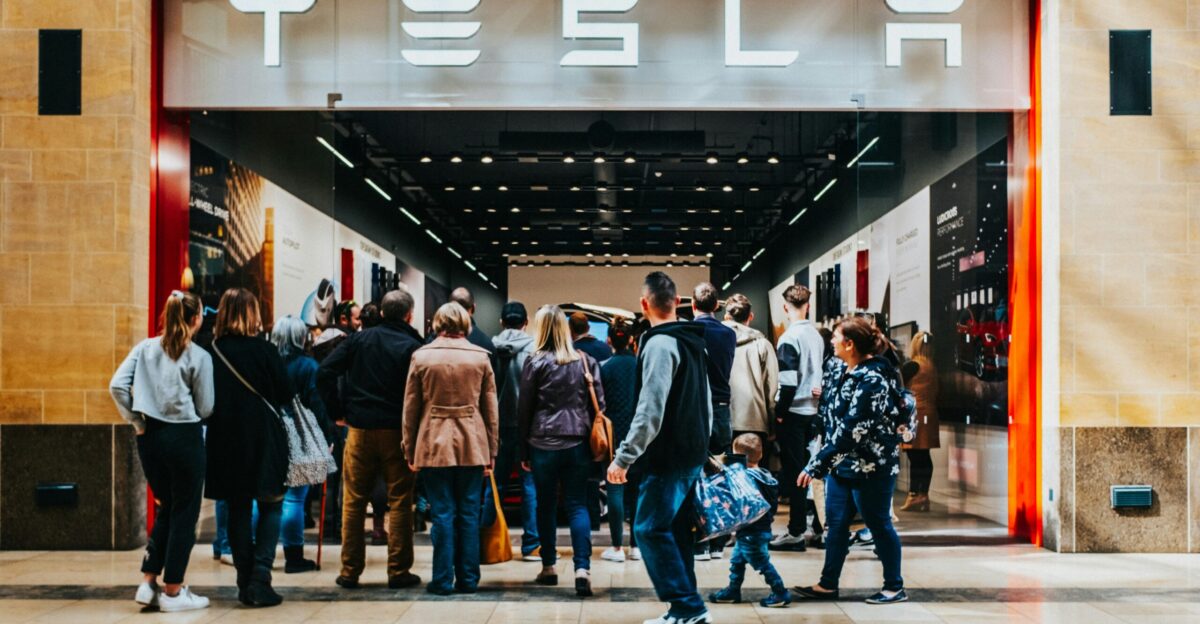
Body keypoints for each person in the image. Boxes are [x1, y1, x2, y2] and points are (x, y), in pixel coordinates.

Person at [607, 272, 713, 624]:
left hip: (668, 455)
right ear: (678, 299)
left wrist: (623, 458)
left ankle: (688, 606)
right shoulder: (692, 340)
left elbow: (650, 411)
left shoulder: (658, 344)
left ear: (644, 304)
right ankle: (684, 610)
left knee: (648, 528)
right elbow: (708, 401)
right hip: (692, 450)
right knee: (678, 530)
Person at [793, 317, 909, 605]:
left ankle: (894, 587)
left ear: (850, 344)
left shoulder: (873, 379)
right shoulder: (841, 369)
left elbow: (853, 429)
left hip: (872, 467)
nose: (831, 341)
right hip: (842, 465)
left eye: (835, 336)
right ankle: (827, 584)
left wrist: (816, 464)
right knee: (836, 524)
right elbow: (832, 415)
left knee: (879, 524)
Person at [110, 290, 213, 612]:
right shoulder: (198, 356)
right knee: (185, 512)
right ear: (196, 319)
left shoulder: (144, 348)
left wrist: (136, 420)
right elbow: (206, 406)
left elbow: (116, 385)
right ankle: (173, 590)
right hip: (184, 437)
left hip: (150, 437)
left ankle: (148, 580)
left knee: (167, 506)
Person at [318, 288, 424, 591]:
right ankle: (398, 570)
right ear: (408, 315)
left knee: (353, 501)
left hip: (360, 430)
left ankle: (350, 571)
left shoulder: (358, 340)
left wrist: (337, 412)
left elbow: (325, 372)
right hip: (396, 432)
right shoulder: (412, 345)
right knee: (401, 501)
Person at [404, 302, 499, 595]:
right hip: (473, 442)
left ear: (438, 323)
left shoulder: (421, 357)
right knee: (469, 513)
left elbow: (411, 407)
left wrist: (409, 447)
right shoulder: (481, 358)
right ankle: (469, 579)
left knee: (442, 514)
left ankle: (443, 579)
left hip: (433, 442)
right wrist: (492, 450)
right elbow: (491, 409)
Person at [206, 288, 292, 607]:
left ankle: (244, 580)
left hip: (224, 437)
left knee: (237, 506)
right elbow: (284, 393)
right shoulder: (266, 351)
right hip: (264, 437)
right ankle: (261, 577)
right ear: (253, 313)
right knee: (271, 503)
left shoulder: (211, 349)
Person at [518, 305, 606, 597]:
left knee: (545, 505)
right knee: (577, 504)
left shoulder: (535, 362)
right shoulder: (585, 360)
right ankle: (582, 569)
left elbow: (525, 409)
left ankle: (549, 567)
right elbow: (600, 406)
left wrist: (523, 449)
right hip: (578, 441)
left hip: (542, 442)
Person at [269, 315, 336, 574]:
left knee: (262, 496)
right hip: (300, 436)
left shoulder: (268, 363)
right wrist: (327, 438)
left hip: (271, 434)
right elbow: (318, 406)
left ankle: (254, 550)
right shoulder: (309, 366)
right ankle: (293, 556)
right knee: (295, 499)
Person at [770, 284, 825, 552]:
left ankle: (795, 531)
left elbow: (788, 381)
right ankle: (814, 525)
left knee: (794, 473)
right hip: (813, 412)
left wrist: (779, 414)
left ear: (785, 307)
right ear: (808, 306)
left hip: (793, 413)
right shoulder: (816, 336)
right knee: (810, 471)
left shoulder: (788, 338)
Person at [708, 434, 791, 608]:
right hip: (759, 529)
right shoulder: (767, 476)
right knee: (737, 561)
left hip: (751, 532)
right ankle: (733, 589)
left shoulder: (744, 479)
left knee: (762, 563)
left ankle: (780, 592)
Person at [491, 301, 541, 562]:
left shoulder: (490, 348)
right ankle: (532, 545)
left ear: (501, 322)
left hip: (497, 426)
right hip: (528, 426)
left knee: (495, 484)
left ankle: (488, 541)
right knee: (529, 484)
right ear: (526, 322)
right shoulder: (535, 349)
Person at [600, 322, 639, 563]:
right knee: (636, 492)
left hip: (614, 435)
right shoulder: (640, 366)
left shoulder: (605, 368)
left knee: (615, 487)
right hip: (639, 436)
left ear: (609, 342)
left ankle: (616, 548)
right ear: (632, 342)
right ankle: (636, 546)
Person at [722, 294, 779, 442]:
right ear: (751, 316)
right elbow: (771, 387)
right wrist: (772, 424)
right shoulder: (762, 344)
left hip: (721, 417)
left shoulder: (715, 342)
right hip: (755, 421)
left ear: (727, 317)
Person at [691, 283, 736, 455]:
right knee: (722, 467)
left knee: (692, 465)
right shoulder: (729, 334)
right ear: (717, 306)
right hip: (720, 404)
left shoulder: (687, 333)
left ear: (693, 305)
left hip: (694, 405)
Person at [900, 331, 939, 512]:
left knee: (915, 456)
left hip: (915, 415)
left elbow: (898, 384)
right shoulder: (932, 366)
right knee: (924, 456)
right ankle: (923, 495)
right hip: (930, 415)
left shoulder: (913, 366)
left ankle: (915, 494)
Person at [449, 287, 498, 373]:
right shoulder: (486, 344)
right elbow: (492, 384)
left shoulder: (433, 341)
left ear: (448, 308)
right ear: (473, 308)